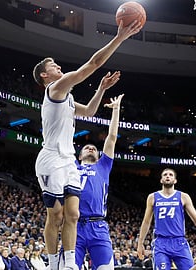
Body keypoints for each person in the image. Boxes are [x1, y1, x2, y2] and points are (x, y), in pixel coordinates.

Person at [32, 17, 142, 270]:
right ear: (45, 75)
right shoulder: (55, 90)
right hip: (50, 158)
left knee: (73, 214)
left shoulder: (67, 99)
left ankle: (69, 263)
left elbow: (91, 112)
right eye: (54, 66)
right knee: (56, 215)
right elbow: (92, 65)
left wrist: (101, 89)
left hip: (68, 159)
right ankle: (51, 263)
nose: (58, 66)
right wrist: (120, 38)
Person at [74, 94, 124, 270]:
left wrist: (116, 110)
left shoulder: (103, 166)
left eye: (94, 149)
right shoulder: (71, 165)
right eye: (87, 147)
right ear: (79, 156)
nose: (91, 148)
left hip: (98, 226)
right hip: (74, 225)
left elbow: (111, 137)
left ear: (98, 155)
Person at [137, 168, 196, 270]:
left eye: (171, 175)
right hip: (161, 242)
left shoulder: (183, 196)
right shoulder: (152, 197)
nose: (168, 176)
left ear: (175, 180)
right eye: (165, 174)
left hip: (179, 241)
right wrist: (140, 243)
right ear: (161, 180)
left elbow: (195, 217)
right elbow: (146, 221)